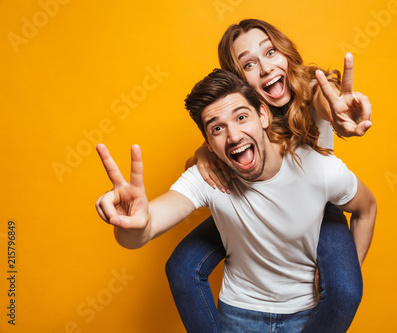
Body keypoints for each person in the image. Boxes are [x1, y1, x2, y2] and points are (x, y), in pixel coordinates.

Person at [95, 69, 376, 332]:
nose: (233, 136)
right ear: (207, 142)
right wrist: (132, 224)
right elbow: (142, 232)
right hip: (239, 317)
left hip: (309, 316)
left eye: (242, 117)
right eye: (217, 129)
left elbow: (367, 208)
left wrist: (347, 269)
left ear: (263, 115)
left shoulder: (319, 169)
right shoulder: (209, 177)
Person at [166, 19, 373, 332]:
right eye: (249, 64)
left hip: (314, 204)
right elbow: (212, 150)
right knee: (182, 267)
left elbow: (326, 103)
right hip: (254, 204)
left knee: (344, 289)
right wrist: (204, 154)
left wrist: (341, 117)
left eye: (271, 52)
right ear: (238, 81)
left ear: (286, 54)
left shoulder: (314, 89)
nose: (265, 68)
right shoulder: (243, 118)